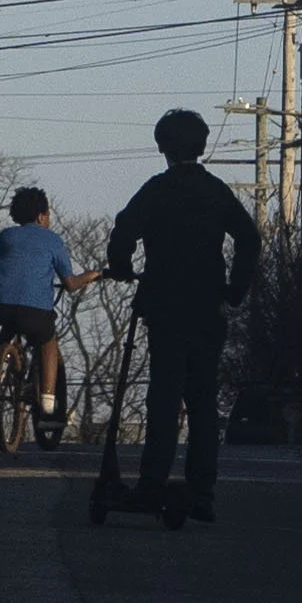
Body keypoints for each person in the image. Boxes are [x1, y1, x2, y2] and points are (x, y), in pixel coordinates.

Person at [107, 108, 258, 524]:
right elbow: (249, 236)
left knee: (164, 396)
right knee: (203, 399)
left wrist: (121, 264)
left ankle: (152, 486)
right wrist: (235, 289)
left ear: (163, 147)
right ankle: (202, 492)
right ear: (201, 145)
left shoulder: (157, 189)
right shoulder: (216, 191)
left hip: (165, 303)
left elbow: (124, 229)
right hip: (207, 305)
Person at [0, 186, 101, 416]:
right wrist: (92, 275)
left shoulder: (4, 236)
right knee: (47, 340)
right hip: (34, 313)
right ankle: (47, 398)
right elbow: (70, 283)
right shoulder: (52, 240)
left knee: (13, 315)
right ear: (41, 216)